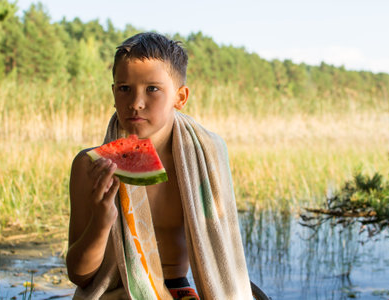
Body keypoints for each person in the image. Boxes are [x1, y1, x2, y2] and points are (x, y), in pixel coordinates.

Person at [66, 32, 253, 300]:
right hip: (117, 292)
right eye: (124, 88)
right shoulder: (90, 165)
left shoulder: (207, 154)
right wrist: (101, 221)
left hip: (179, 290)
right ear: (113, 92)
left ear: (180, 97)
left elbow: (223, 249)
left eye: (152, 89)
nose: (135, 103)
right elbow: (79, 276)